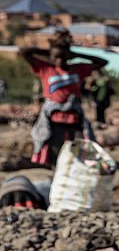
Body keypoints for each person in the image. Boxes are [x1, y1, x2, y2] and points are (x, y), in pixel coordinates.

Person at [20, 28, 107, 166]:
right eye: (57, 57)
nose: (60, 60)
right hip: (53, 120)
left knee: (77, 155)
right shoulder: (46, 69)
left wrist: (75, 54)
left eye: (63, 57)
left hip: (74, 120)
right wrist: (51, 51)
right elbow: (24, 52)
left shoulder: (78, 69)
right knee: (53, 154)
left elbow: (102, 62)